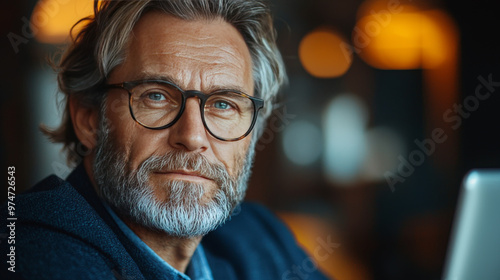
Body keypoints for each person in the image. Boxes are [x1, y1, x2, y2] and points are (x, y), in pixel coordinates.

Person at [1, 0, 330, 279]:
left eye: (223, 104)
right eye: (156, 96)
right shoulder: (33, 254)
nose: (192, 136)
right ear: (89, 119)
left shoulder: (261, 237)